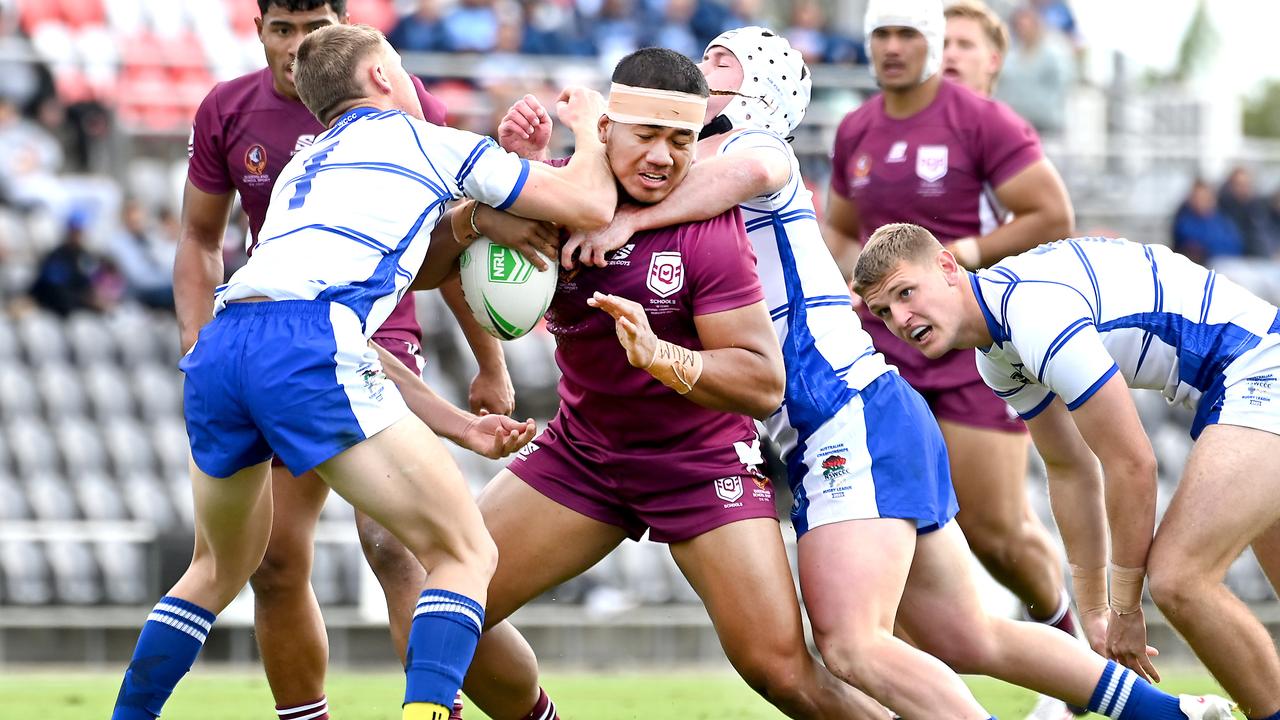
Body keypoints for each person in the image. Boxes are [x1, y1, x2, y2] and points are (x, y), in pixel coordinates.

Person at [491, 26, 1235, 720]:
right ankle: (1173, 715)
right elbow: (595, 192)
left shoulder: (758, 152)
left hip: (845, 413)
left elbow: (687, 181)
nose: (695, 73)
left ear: (760, 95)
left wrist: (606, 167)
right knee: (968, 637)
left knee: (852, 645)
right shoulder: (682, 165)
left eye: (718, 65)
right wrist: (541, 157)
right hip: (859, 413)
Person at [109, 22, 617, 720]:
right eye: (403, 67)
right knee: (463, 551)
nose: (411, 81)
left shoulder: (303, 168)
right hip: (309, 348)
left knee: (215, 570)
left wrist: (459, 425)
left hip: (225, 349)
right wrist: (587, 130)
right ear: (380, 76)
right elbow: (589, 206)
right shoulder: (420, 138)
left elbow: (335, 325)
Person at [452, 46, 896, 720]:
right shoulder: (552, 196)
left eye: (681, 141)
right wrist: (477, 216)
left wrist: (664, 356)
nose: (663, 157)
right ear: (606, 133)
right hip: (586, 455)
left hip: (700, 464)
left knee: (781, 673)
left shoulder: (708, 229)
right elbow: (434, 265)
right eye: (647, 137)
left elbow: (760, 383)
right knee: (446, 606)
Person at [179, 2, 535, 718]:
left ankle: (447, 709)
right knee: (275, 563)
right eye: (284, 28)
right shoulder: (226, 110)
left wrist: (489, 364)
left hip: (380, 334)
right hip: (276, 346)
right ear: (259, 32)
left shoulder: (396, 98)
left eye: (315, 25)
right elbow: (197, 238)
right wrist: (197, 345)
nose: (300, 44)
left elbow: (455, 230)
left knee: (399, 545)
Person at [853, 223, 1271, 720]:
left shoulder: (1030, 314)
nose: (900, 318)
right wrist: (1094, 613)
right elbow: (1071, 468)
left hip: (1258, 366)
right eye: (883, 311)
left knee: (1179, 579)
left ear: (947, 267)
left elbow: (1132, 463)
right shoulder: (997, 354)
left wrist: (1125, 609)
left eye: (906, 293)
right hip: (1237, 379)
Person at [825, 0, 1082, 687]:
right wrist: (856, 285)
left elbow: (1052, 213)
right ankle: (919, 688)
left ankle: (1073, 642)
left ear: (934, 44)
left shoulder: (980, 118)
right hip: (887, 358)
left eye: (908, 33)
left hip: (974, 349)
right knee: (900, 528)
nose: (893, 46)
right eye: (881, 33)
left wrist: (955, 257)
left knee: (995, 530)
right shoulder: (856, 128)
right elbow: (840, 230)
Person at [941, 0, 1007, 97]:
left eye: (965, 45)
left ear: (993, 61)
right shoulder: (915, 111)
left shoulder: (1001, 112)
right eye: (943, 45)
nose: (950, 54)